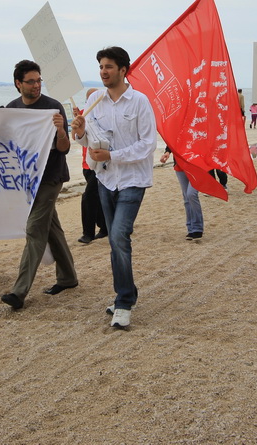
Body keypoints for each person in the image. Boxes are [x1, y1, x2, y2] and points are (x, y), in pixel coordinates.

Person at [0, 60, 78, 310]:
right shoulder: (13, 108)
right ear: (18, 84)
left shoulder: (52, 107)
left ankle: (18, 292)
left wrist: (62, 131)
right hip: (27, 180)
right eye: (31, 81)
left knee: (34, 230)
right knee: (51, 228)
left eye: (39, 80)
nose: (37, 85)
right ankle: (68, 278)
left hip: (51, 177)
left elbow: (64, 149)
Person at [72, 46, 157, 329]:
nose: (103, 72)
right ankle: (127, 292)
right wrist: (81, 130)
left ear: (123, 70)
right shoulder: (95, 100)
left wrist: (113, 155)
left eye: (108, 66)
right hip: (105, 179)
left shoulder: (139, 102)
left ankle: (123, 303)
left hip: (133, 179)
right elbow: (89, 141)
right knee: (114, 241)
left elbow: (148, 145)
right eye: (100, 67)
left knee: (120, 235)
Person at [78, 88, 108, 244]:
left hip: (101, 164)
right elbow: (76, 134)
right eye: (90, 99)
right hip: (87, 164)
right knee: (98, 196)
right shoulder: (83, 113)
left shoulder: (105, 114)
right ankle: (105, 227)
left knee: (89, 197)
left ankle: (88, 233)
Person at [160, 147, 203, 241]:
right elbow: (171, 139)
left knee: (191, 194)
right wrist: (167, 152)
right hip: (180, 165)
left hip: (197, 164)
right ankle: (191, 229)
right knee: (187, 198)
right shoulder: (177, 132)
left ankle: (197, 228)